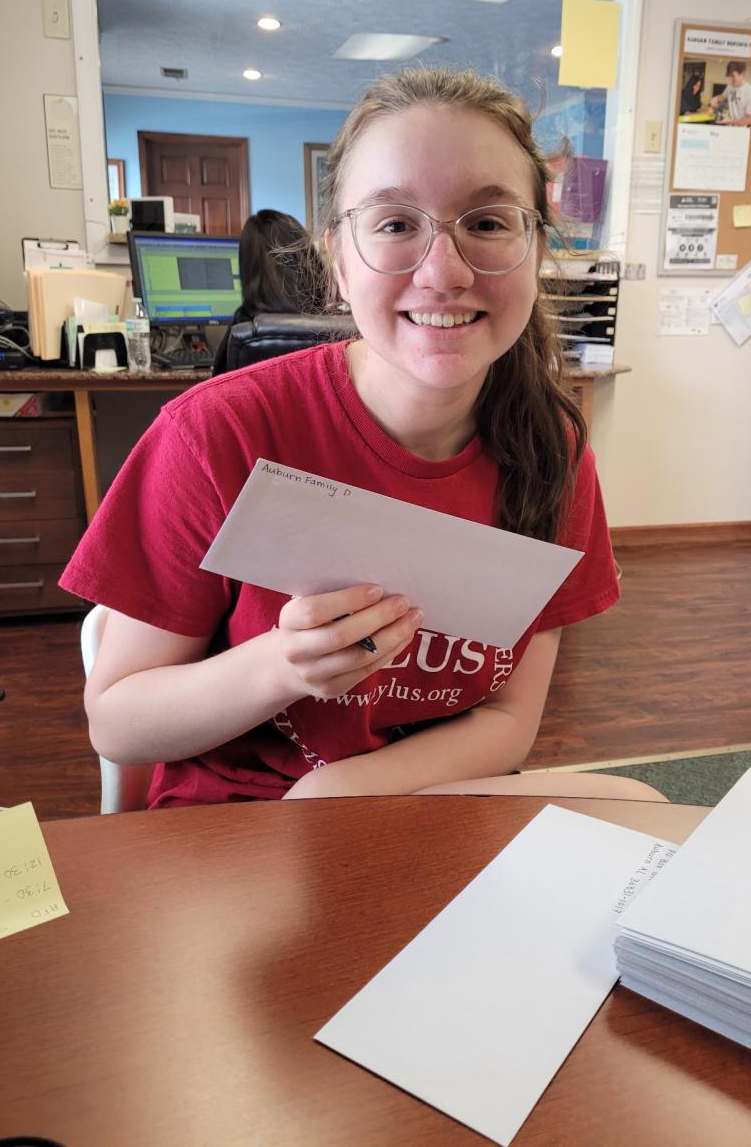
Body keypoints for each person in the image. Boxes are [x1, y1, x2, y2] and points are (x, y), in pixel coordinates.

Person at [60, 67, 661, 808]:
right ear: (338, 263)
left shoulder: (551, 450)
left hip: (424, 804)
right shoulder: (218, 434)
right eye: (395, 225)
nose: (444, 272)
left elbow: (509, 720)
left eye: (488, 223)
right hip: (238, 826)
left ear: (536, 251)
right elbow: (118, 724)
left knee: (647, 814)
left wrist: (337, 791)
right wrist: (282, 666)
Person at [210, 208, 326, 375]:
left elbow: (218, 384)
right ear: (307, 257)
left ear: (247, 269)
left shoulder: (243, 326)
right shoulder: (337, 324)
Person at [708, 60, 751, 125]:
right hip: (728, 126)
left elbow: (749, 120)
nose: (730, 80)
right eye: (730, 76)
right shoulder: (730, 86)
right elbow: (722, 97)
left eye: (733, 76)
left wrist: (730, 121)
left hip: (740, 129)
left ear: (743, 73)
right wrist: (714, 99)